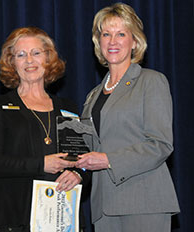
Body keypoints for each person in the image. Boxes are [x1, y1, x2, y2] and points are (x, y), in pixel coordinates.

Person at [75, 3, 180, 232]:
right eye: (106, 34)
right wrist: (74, 167)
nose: (112, 41)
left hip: (144, 202)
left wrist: (108, 160)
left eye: (121, 34)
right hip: (103, 206)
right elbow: (88, 147)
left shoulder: (151, 81)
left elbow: (160, 145)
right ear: (98, 41)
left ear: (134, 41)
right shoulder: (93, 95)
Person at [0, 27, 90, 232]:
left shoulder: (69, 108)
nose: (29, 60)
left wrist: (79, 175)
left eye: (36, 53)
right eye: (21, 55)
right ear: (12, 63)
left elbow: (83, 160)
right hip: (15, 220)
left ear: (48, 59)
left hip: (63, 219)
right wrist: (41, 164)